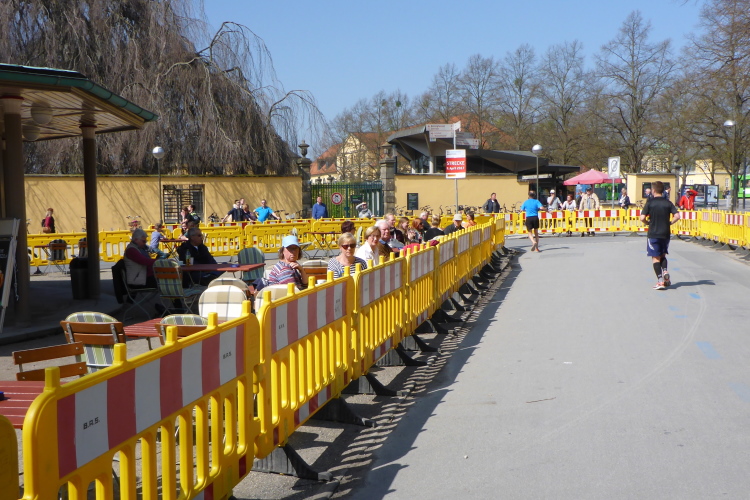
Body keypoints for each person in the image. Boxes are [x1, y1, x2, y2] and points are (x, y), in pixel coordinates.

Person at [640, 180, 680, 290]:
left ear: (653, 190)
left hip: (653, 233)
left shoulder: (650, 203)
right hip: (665, 233)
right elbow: (677, 216)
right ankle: (665, 271)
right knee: (663, 254)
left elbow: (642, 218)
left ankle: (660, 281)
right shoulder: (668, 203)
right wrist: (670, 223)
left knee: (655, 257)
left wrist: (647, 223)